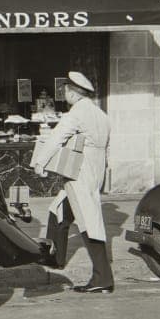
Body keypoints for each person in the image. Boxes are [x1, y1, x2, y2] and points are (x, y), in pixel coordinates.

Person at [31, 71, 115, 294]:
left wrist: (40, 162)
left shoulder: (75, 114)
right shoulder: (102, 115)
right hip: (95, 171)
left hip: (80, 172)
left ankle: (102, 278)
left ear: (74, 93)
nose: (64, 93)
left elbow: (55, 138)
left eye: (66, 90)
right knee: (57, 209)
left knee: (88, 221)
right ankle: (54, 259)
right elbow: (107, 149)